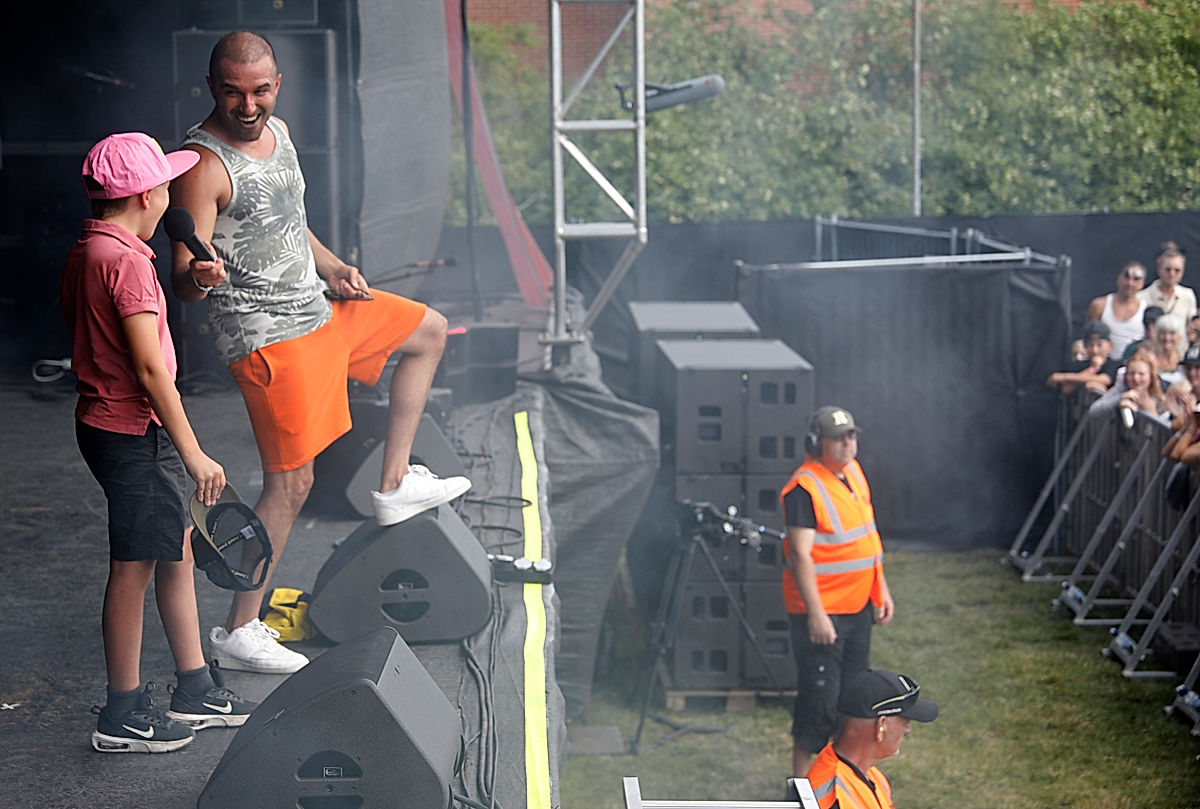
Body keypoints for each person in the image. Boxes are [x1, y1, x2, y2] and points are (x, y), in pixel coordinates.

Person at [170, 31, 471, 674]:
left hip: (319, 309)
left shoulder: (279, 134)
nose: (248, 105)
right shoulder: (201, 166)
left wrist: (333, 267)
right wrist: (197, 277)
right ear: (212, 88)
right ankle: (240, 630)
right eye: (233, 92)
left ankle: (392, 484)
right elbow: (183, 275)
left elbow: (287, 220)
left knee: (429, 330)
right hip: (267, 338)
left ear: (276, 85)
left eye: (259, 91)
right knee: (293, 481)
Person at [60, 133, 255, 753]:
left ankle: (195, 686)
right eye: (167, 185)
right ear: (147, 196)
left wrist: (192, 278)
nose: (173, 193)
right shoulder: (129, 263)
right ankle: (121, 712)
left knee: (174, 549)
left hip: (118, 423)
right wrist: (194, 450)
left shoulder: (91, 249)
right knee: (135, 566)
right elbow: (150, 371)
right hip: (130, 430)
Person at [780, 406, 894, 777]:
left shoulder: (853, 474)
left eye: (852, 435)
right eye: (839, 437)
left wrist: (882, 591)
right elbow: (800, 553)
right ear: (817, 443)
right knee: (818, 703)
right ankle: (798, 788)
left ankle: (841, 778)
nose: (848, 443)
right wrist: (816, 613)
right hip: (824, 613)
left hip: (858, 606)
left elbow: (868, 539)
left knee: (853, 697)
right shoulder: (804, 488)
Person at [806, 668, 939, 809]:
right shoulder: (835, 797)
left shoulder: (871, 775)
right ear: (881, 725)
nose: (908, 730)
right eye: (905, 721)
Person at [1085, 261, 1147, 360]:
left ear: (1142, 283)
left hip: (1132, 369)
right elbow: (1088, 338)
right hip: (1102, 365)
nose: (1130, 283)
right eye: (1126, 277)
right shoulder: (1100, 305)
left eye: (1136, 279)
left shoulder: (1145, 310)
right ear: (1118, 278)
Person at [1045, 321, 1119, 394]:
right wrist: (1092, 368)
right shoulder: (1077, 365)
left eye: (1099, 345)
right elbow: (1067, 389)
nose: (1094, 350)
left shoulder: (1114, 365)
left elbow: (1104, 379)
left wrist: (1064, 377)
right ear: (1085, 346)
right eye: (1090, 345)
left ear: (1110, 346)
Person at [1139, 243, 1196, 322]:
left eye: (1177, 270)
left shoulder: (1188, 296)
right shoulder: (1141, 298)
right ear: (1159, 270)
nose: (1172, 274)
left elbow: (1191, 328)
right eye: (1167, 269)